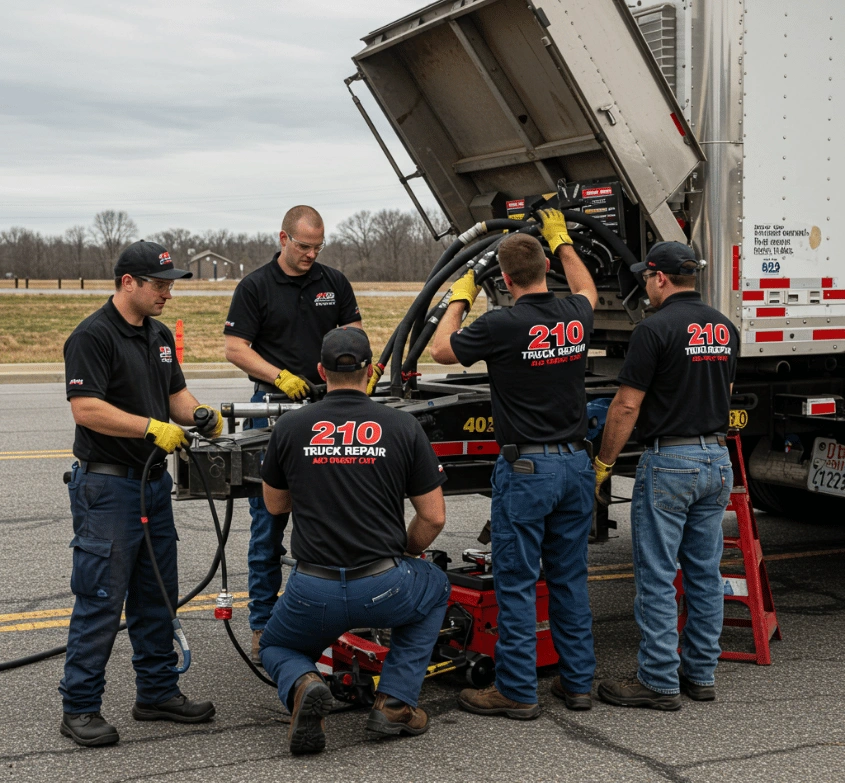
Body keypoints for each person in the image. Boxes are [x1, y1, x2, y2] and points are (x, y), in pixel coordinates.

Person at [430, 211, 598, 719]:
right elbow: (588, 290)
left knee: (517, 581)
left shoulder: (501, 323)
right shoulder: (575, 312)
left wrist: (459, 296)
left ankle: (518, 691)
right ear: (546, 265)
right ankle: (578, 685)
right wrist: (563, 240)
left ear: (503, 279)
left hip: (527, 471)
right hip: (575, 466)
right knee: (570, 578)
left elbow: (439, 351)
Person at [259, 327, 450, 755]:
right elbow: (434, 517)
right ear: (369, 372)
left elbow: (275, 506)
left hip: (313, 586)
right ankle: (395, 703)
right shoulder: (402, 426)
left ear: (321, 370)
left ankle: (304, 683)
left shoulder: (290, 427)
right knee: (435, 588)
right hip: (383, 581)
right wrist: (404, 556)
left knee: (276, 645)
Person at [60, 241, 219, 747]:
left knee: (156, 595)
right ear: (128, 281)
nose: (167, 293)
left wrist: (199, 416)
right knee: (101, 599)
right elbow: (86, 408)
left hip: (152, 486)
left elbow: (175, 394)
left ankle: (156, 692)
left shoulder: (160, 335)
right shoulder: (92, 335)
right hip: (107, 487)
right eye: (159, 283)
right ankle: (80, 707)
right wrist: (152, 429)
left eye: (171, 283)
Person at [594, 241, 738, 710]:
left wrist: (604, 464)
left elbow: (627, 404)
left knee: (657, 575)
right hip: (717, 459)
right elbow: (725, 391)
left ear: (659, 278)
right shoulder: (725, 328)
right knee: (704, 573)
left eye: (646, 279)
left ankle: (658, 680)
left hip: (671, 461)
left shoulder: (653, 330)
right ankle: (701, 675)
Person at [223, 205, 363, 662]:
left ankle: (330, 616)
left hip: (329, 408)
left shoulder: (333, 282)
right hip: (272, 409)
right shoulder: (256, 286)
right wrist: (279, 376)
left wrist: (361, 364)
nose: (311, 254)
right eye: (304, 246)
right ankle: (264, 623)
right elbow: (234, 348)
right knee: (268, 523)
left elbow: (354, 332)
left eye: (318, 246)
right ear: (282, 238)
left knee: (332, 518)